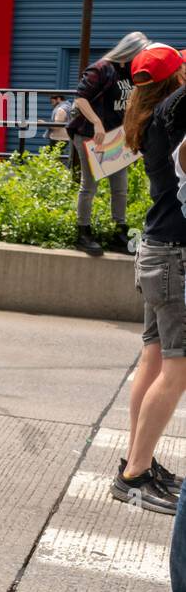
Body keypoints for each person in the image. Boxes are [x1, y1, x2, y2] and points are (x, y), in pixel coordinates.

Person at [111, 43, 186, 518]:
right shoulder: (170, 115)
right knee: (177, 370)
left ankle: (139, 463)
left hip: (159, 252)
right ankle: (134, 475)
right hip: (174, 258)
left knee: (154, 359)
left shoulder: (151, 115)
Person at [68, 31, 150, 256]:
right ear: (130, 50)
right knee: (89, 186)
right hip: (92, 134)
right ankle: (83, 231)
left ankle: (119, 231)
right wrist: (96, 123)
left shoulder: (131, 72)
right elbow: (80, 98)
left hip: (117, 136)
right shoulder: (102, 68)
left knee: (120, 187)